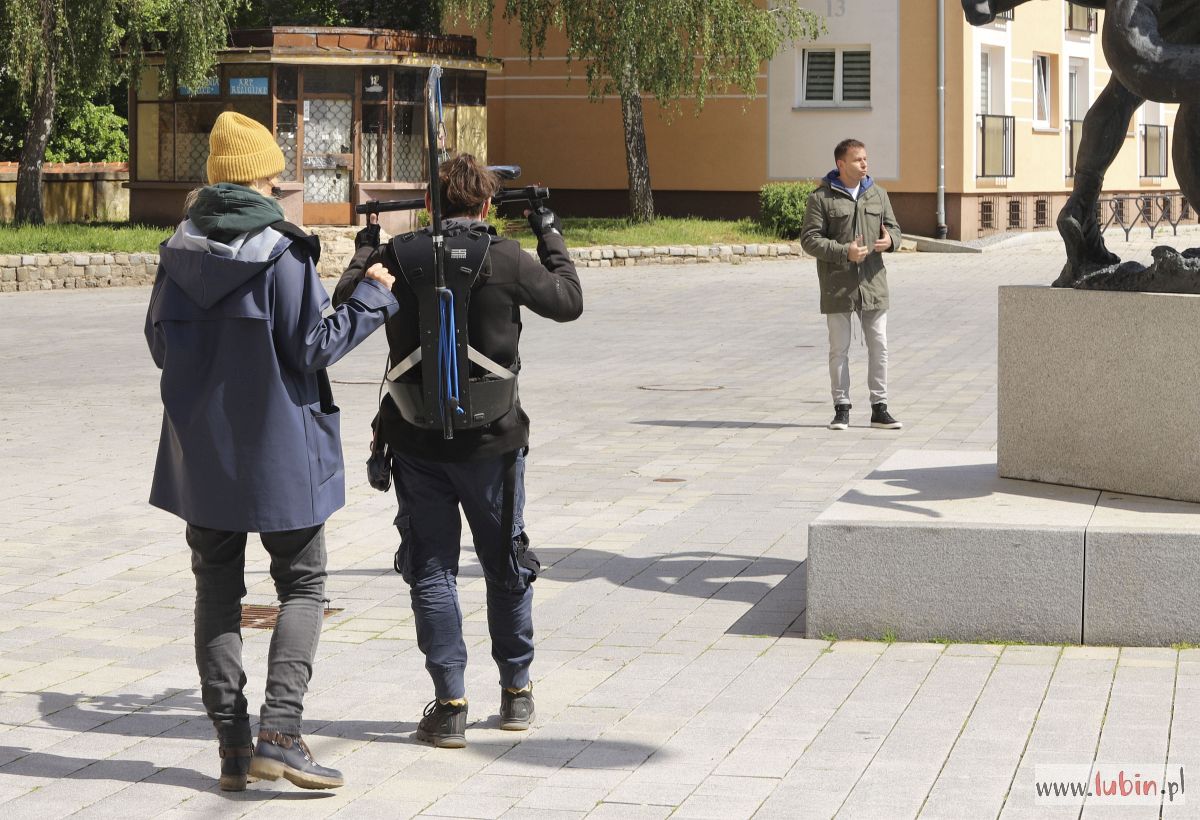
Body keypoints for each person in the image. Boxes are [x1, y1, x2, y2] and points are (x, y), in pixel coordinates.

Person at [145, 111, 398, 791]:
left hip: (202, 455)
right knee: (304, 583)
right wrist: (373, 298)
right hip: (280, 451)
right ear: (257, 178)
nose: (282, 182)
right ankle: (280, 736)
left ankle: (232, 749)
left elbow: (160, 346)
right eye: (276, 172)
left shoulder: (177, 250)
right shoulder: (282, 253)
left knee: (217, 592)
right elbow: (313, 345)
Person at [335, 153, 582, 748]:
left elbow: (345, 305)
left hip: (416, 439)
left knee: (432, 569)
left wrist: (367, 248)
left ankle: (449, 705)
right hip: (494, 441)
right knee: (505, 563)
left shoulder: (399, 255)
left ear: (429, 206)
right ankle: (517, 693)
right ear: (487, 205)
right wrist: (549, 230)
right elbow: (568, 300)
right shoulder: (505, 256)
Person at [800, 138, 904, 431]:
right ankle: (841, 408)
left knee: (880, 346)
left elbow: (895, 228)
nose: (865, 165)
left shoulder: (878, 195)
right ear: (841, 164)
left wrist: (890, 241)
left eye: (866, 159)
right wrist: (844, 251)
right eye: (858, 160)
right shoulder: (821, 198)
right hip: (838, 285)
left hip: (873, 283)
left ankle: (879, 408)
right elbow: (809, 239)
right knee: (839, 349)